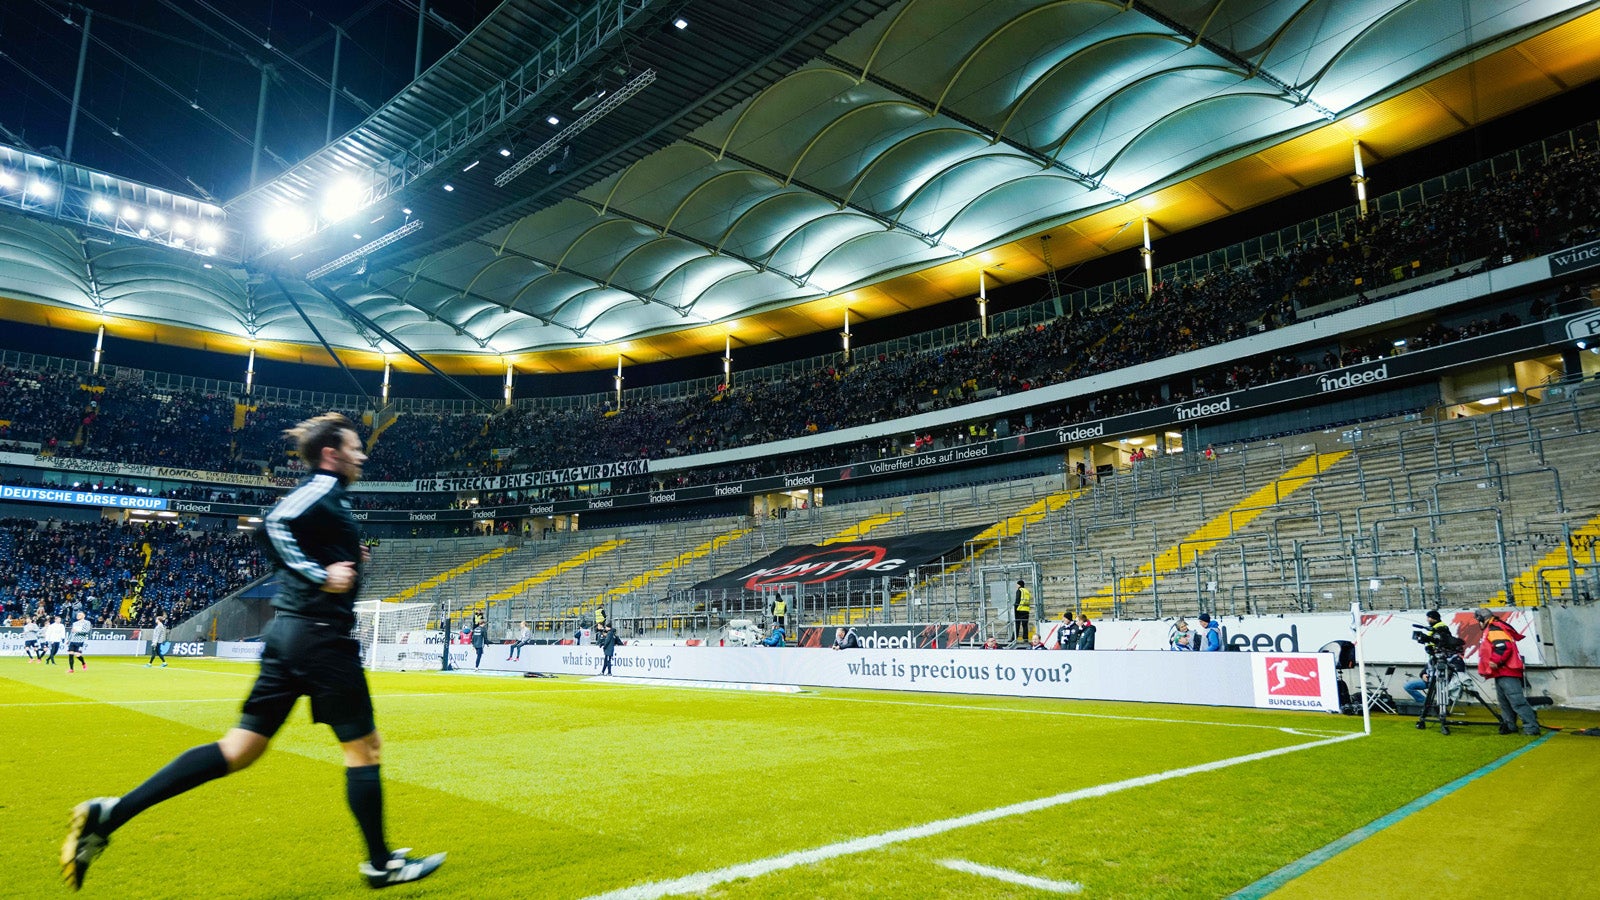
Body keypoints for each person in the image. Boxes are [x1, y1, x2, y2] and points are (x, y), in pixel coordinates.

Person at [61, 412, 445, 891]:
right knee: (364, 749)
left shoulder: (332, 497)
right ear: (331, 454)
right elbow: (275, 523)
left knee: (239, 750)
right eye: (354, 447)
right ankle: (380, 864)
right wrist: (320, 574)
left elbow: (297, 533)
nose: (362, 455)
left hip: (295, 636)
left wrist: (338, 559)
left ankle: (111, 813)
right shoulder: (322, 486)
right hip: (320, 638)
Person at [1474, 608, 1541, 736]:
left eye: (1478, 620)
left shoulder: (1494, 628)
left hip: (1505, 670)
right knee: (1505, 702)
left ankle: (1531, 727)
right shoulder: (1495, 627)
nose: (1478, 623)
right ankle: (1509, 725)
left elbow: (1503, 646)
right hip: (1502, 671)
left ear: (1482, 619)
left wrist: (1496, 661)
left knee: (1517, 701)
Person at [1403, 610, 1449, 703]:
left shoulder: (1440, 628)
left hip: (1438, 680)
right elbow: (1427, 667)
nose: (1427, 619)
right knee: (1408, 686)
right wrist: (1423, 674)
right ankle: (1425, 703)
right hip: (1429, 679)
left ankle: (1433, 705)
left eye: (1428, 617)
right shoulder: (1433, 658)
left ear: (1433, 618)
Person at [1013, 580, 1032, 644]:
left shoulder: (1019, 590)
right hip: (1026, 610)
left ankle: (1014, 637)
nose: (1016, 586)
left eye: (1017, 584)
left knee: (1017, 624)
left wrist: (1015, 607)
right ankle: (1025, 638)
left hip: (1019, 609)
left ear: (1019, 585)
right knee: (1025, 625)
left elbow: (1018, 599)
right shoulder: (1027, 591)